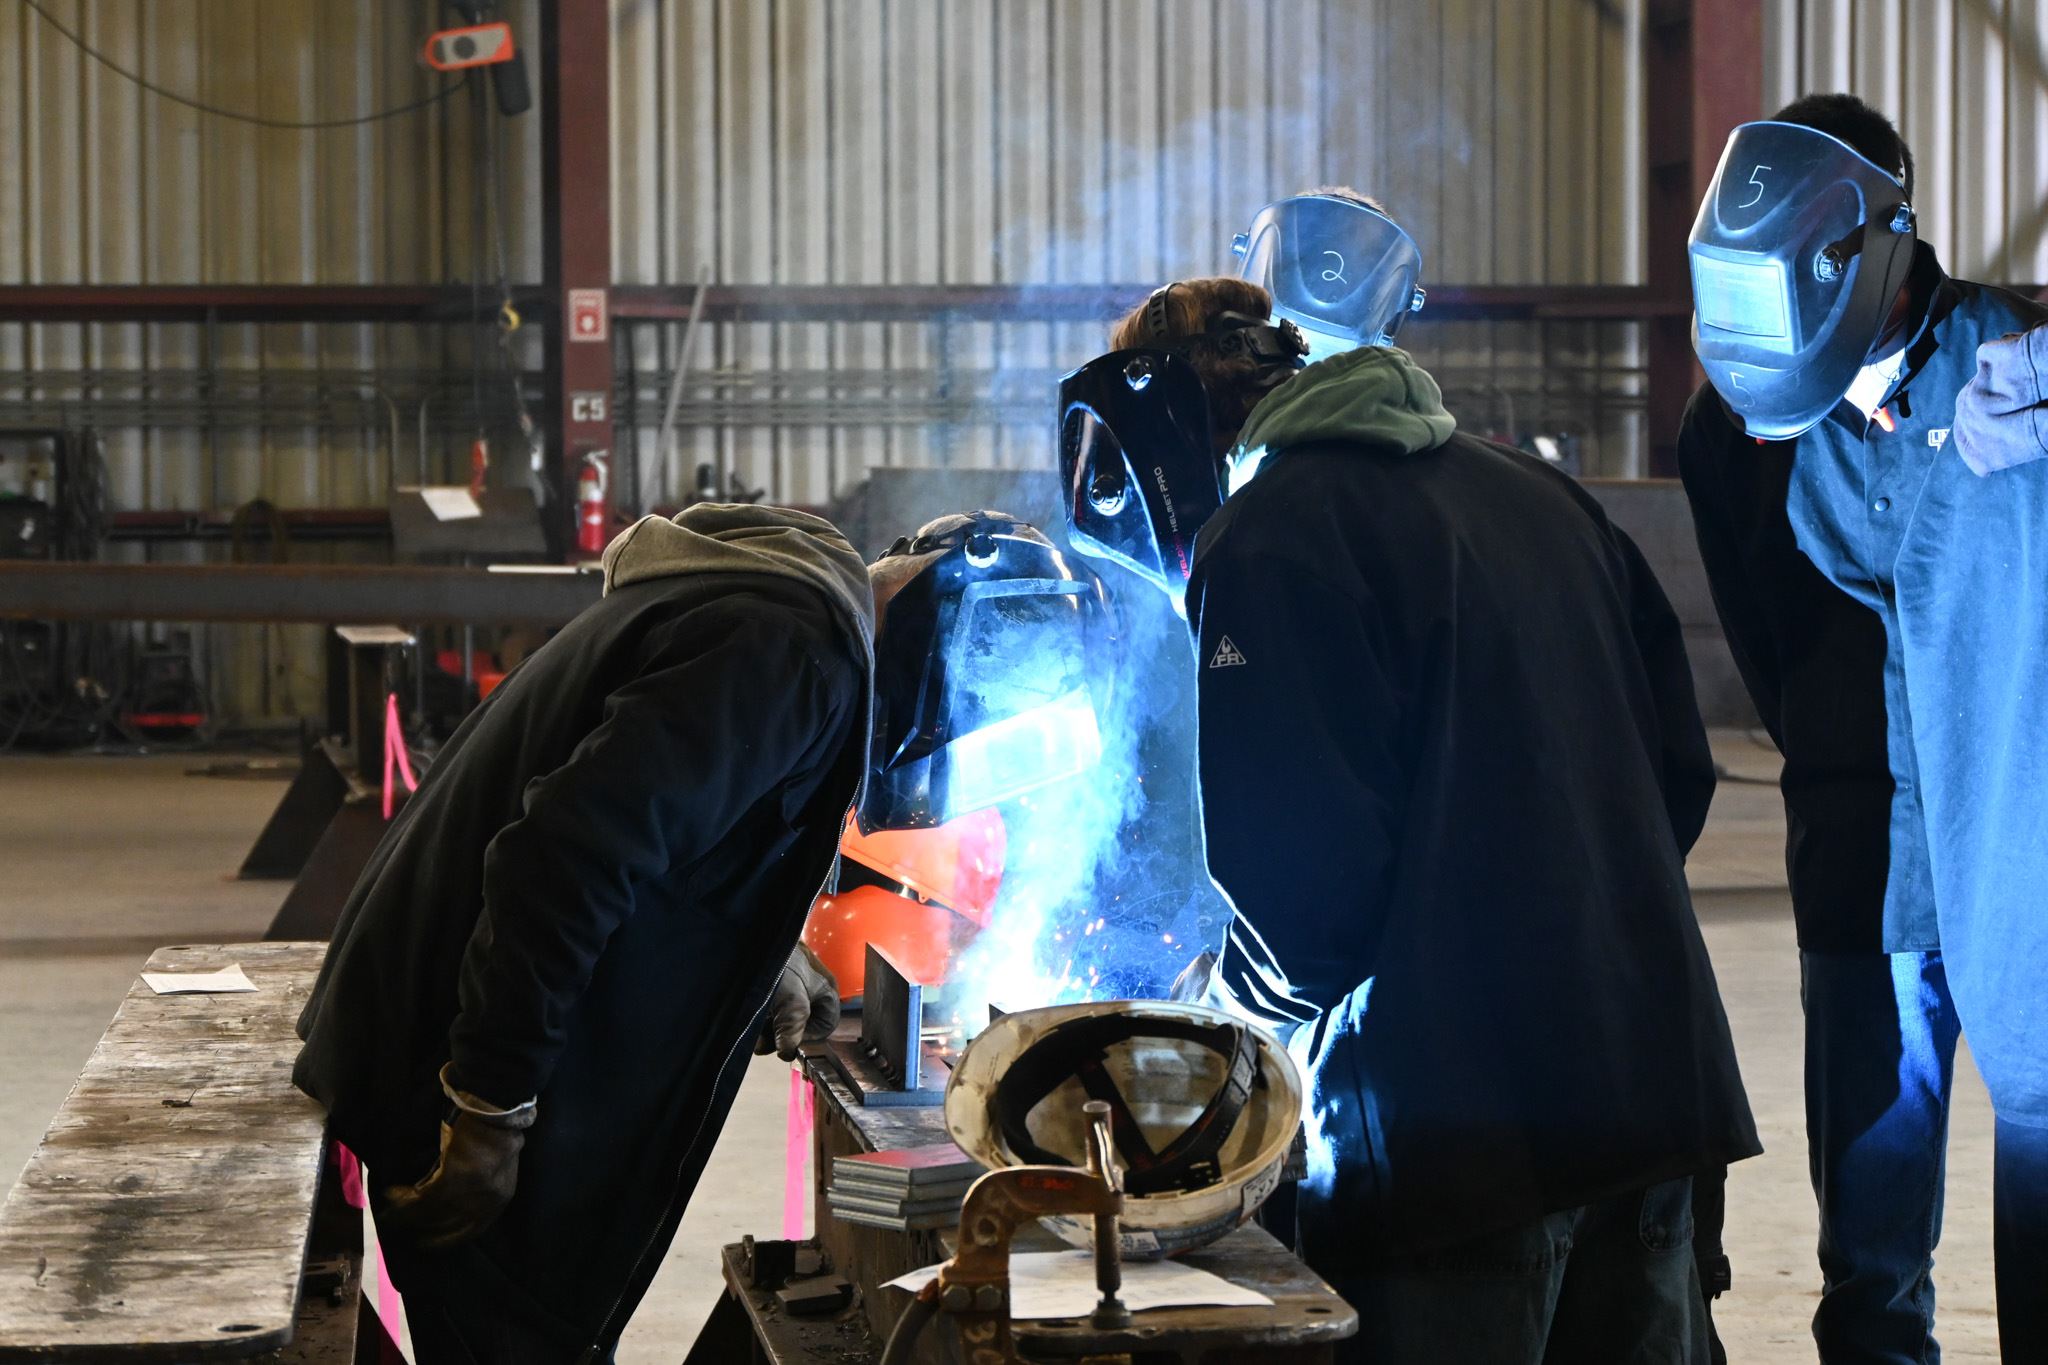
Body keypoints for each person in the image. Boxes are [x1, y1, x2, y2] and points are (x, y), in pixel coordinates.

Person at [1059, 277, 1759, 1363]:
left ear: (1164, 437)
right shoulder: (1541, 495)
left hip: (1458, 1142)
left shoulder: (1269, 537)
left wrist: (1211, 1020)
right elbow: (1675, 780)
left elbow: (1305, 909)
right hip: (1648, 1090)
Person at [295, 502, 879, 1364]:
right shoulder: (789, 652)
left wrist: (765, 953)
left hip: (455, 1031)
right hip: (457, 1066)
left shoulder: (754, 613)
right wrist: (488, 1107)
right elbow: (562, 859)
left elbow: (671, 834)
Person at [1676, 92, 2048, 1362]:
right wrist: (1846, 750)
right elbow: (1765, 643)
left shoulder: (2016, 375)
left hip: (2020, 858)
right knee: (1868, 1250)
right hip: (1860, 865)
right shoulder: (1735, 423)